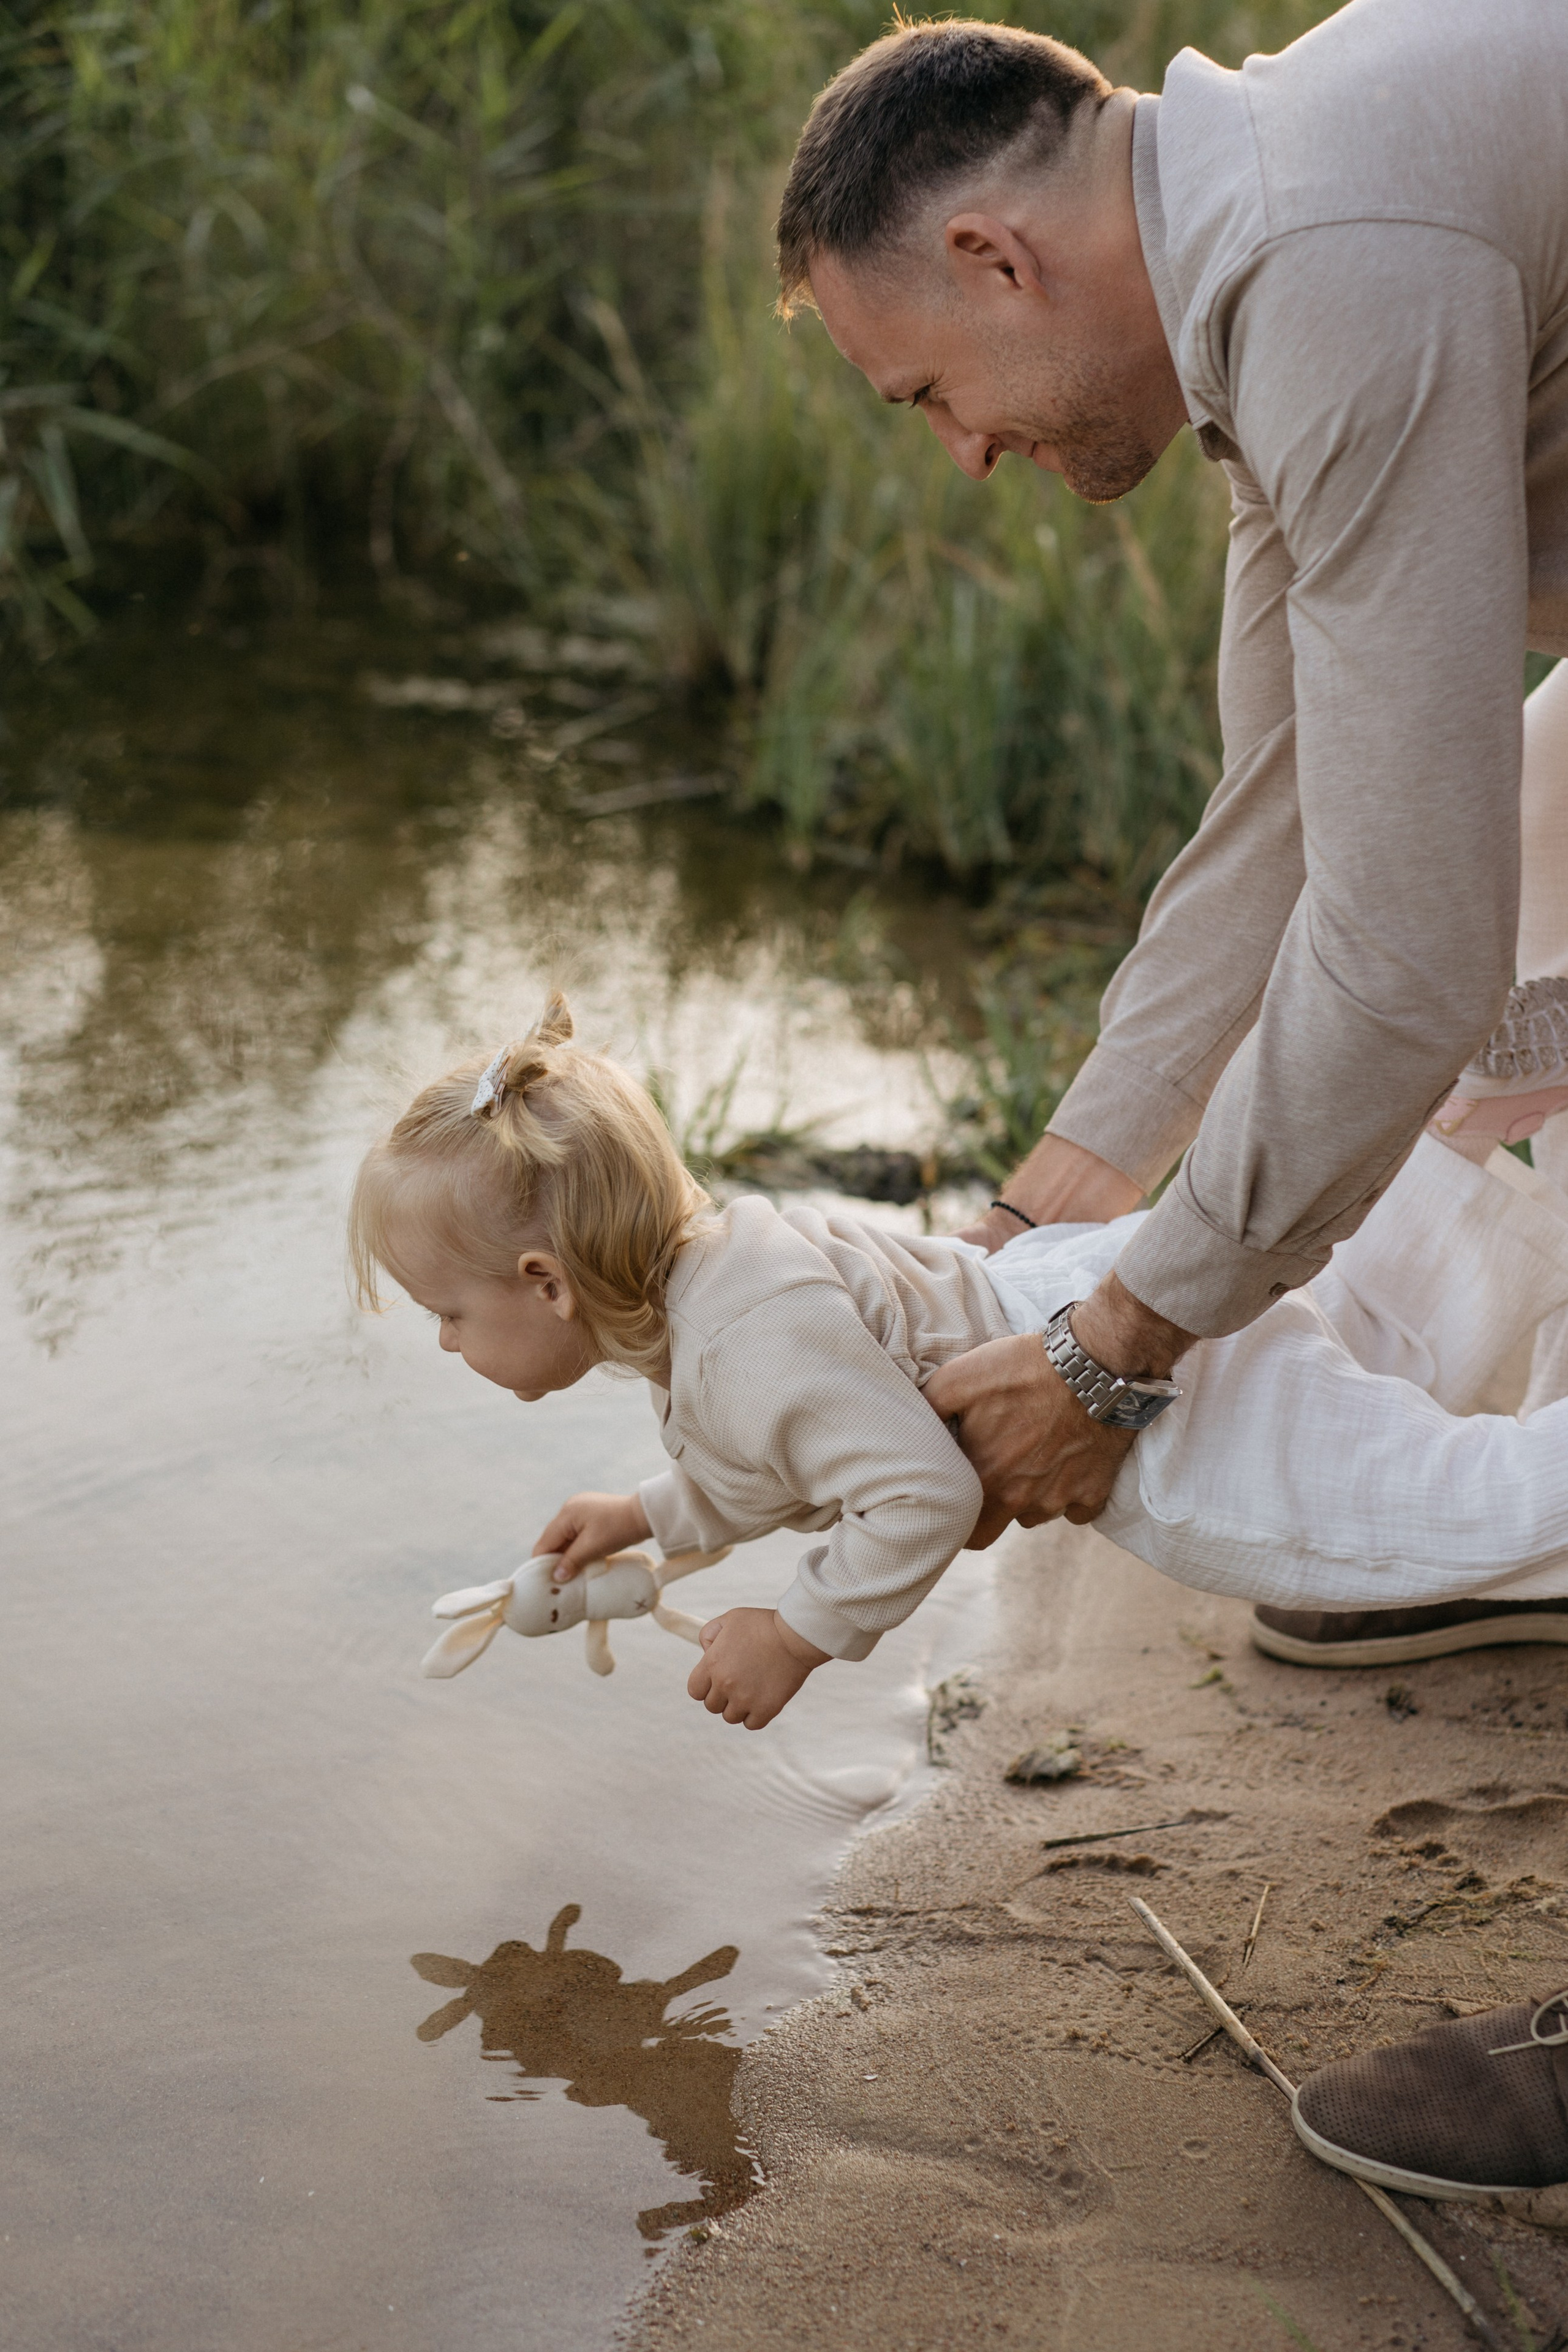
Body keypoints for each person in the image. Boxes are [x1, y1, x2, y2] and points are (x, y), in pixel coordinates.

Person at [772, 3, 1568, 1678]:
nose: (968, 455)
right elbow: (1282, 804)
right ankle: (1497, 1480)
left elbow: (1409, 952)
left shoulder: (1328, 260)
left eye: (928, 392)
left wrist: (1112, 1352)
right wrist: (1023, 1233)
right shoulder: (1261, 253)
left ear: (997, 259)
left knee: (1475, 943)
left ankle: (1513, 1503)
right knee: (1521, 870)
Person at [350, 990, 1568, 1736]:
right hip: (1102, 1284)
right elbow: (801, 1446)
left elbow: (917, 1490)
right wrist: (649, 1516)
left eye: (444, 1314)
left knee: (1485, 1509)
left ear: (544, 1285)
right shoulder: (720, 1273)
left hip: (1160, 1429)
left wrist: (800, 1633)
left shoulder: (740, 1347)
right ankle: (1479, 1165)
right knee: (1389, 1320)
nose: (448, 1342)